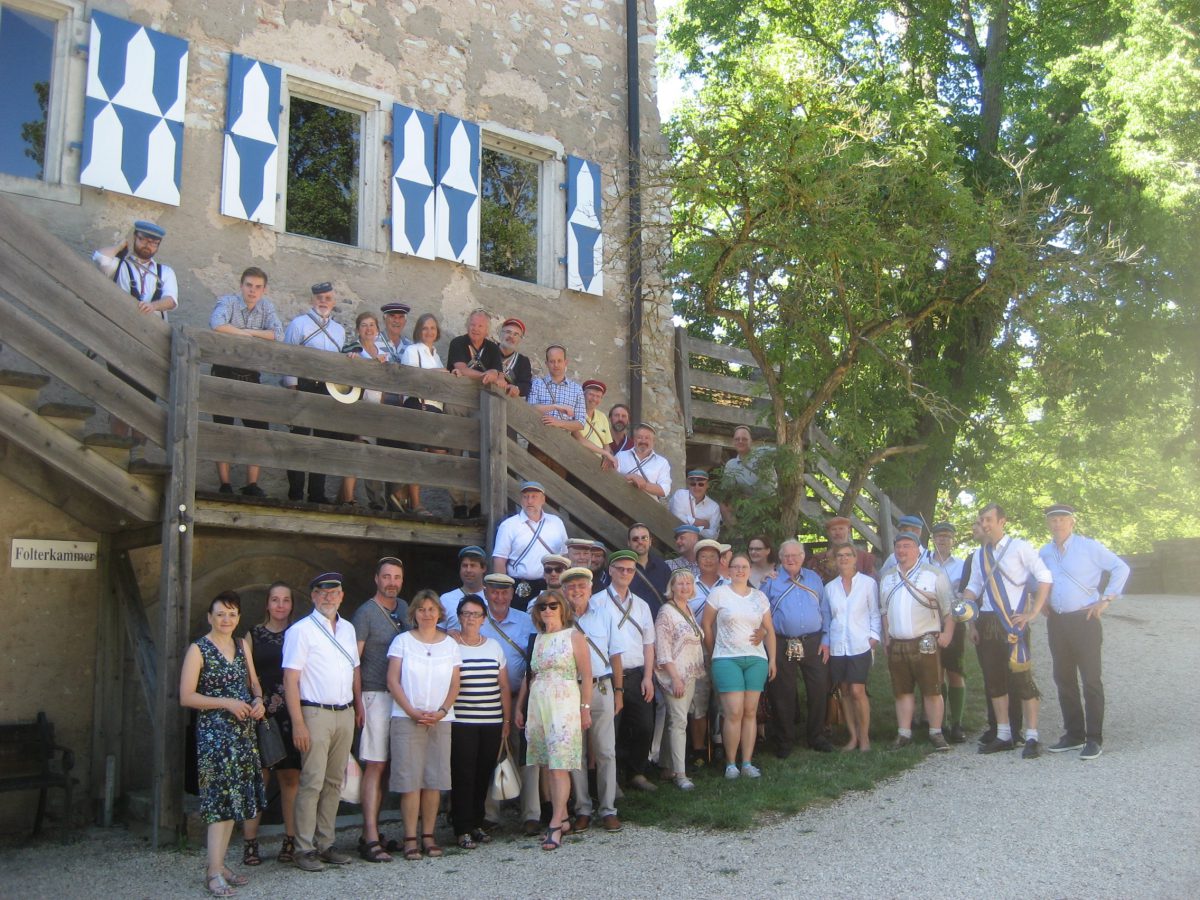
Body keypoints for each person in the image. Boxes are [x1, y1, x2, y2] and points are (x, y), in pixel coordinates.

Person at [180, 591, 267, 897]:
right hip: (215, 737)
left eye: (231, 614)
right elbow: (187, 696)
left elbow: (253, 683)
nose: (226, 620)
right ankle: (213, 871)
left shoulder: (242, 646)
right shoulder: (199, 649)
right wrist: (226, 703)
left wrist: (257, 700)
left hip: (242, 735)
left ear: (238, 618)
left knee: (233, 802)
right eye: (220, 614)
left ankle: (219, 864)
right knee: (219, 802)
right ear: (210, 617)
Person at [281, 572, 361, 872]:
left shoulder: (349, 629)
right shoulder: (301, 631)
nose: (328, 597)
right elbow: (291, 679)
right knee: (311, 781)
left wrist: (358, 704)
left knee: (334, 782)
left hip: (345, 711)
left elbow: (354, 669)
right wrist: (298, 722)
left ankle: (325, 843)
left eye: (334, 592)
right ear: (313, 596)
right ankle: (303, 848)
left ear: (341, 596)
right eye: (322, 593)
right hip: (314, 712)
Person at [1039, 504, 1130, 761]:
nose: (1057, 524)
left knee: (1090, 679)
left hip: (1084, 620)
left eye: (1062, 519)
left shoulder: (1088, 547)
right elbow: (1037, 579)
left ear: (1072, 522)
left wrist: (1106, 599)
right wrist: (1040, 599)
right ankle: (1074, 733)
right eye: (1053, 520)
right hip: (1057, 622)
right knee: (1063, 677)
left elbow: (1121, 568)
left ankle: (1094, 738)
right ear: (1048, 524)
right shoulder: (1045, 552)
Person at [962, 503, 1053, 759]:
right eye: (982, 519)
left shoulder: (1020, 547)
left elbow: (1045, 577)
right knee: (994, 679)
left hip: (1013, 622)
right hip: (988, 622)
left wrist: (1033, 612)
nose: (985, 524)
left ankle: (1032, 736)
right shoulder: (980, 554)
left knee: (1023, 680)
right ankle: (1003, 734)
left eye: (989, 519)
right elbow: (974, 586)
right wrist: (964, 604)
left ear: (1003, 521)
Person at [91, 219, 178, 459]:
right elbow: (99, 258)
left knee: (144, 403)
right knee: (120, 399)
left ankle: (138, 456)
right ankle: (118, 456)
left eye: (154, 242)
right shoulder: (118, 266)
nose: (148, 245)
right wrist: (121, 245)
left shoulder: (165, 272)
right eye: (143, 239)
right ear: (136, 238)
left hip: (151, 348)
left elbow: (171, 300)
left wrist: (152, 305)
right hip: (121, 344)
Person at [387, 590, 462, 860]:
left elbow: (455, 683)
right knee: (411, 781)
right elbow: (393, 680)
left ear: (439, 613)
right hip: (407, 718)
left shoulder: (450, 645)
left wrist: (442, 711)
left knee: (434, 780)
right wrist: (411, 710)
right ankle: (410, 838)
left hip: (441, 720)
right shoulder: (402, 642)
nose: (427, 614)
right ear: (414, 613)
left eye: (432, 609)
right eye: (422, 609)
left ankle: (428, 836)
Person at [515, 589, 593, 851]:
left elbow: (586, 675)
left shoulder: (574, 636)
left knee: (560, 765)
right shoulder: (537, 640)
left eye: (553, 606)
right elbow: (531, 677)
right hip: (539, 704)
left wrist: (585, 709)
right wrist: (520, 708)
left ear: (562, 609)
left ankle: (556, 822)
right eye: (542, 607)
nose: (547, 610)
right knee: (548, 764)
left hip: (564, 705)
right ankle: (560, 817)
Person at [351, 557, 408, 863]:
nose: (392, 582)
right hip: (375, 694)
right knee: (374, 764)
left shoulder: (404, 608)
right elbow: (355, 660)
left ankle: (373, 832)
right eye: (386, 576)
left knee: (386, 766)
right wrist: (358, 699)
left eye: (396, 577)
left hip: (399, 696)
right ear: (376, 579)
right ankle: (370, 835)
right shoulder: (365, 613)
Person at [473, 573, 539, 834]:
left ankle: (531, 813)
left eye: (504, 592)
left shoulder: (526, 621)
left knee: (525, 754)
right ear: (486, 593)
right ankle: (490, 813)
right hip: (485, 699)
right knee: (491, 753)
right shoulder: (477, 621)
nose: (499, 597)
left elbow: (534, 659)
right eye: (494, 592)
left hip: (519, 698)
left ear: (512, 595)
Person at [208, 266, 282, 497]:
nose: (253, 290)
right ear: (241, 285)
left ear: (264, 290)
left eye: (258, 287)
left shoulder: (266, 307)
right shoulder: (228, 302)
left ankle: (251, 484)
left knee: (258, 431)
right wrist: (247, 335)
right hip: (224, 372)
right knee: (223, 429)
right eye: (249, 285)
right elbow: (217, 323)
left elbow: (278, 333)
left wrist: (245, 332)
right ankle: (225, 484)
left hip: (251, 375)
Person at [241, 582, 301, 865]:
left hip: (291, 713)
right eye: (275, 600)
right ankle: (250, 843)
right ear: (267, 604)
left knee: (290, 778)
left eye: (285, 600)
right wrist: (256, 701)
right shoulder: (252, 634)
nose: (280, 605)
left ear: (291, 604)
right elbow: (246, 674)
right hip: (261, 713)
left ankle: (290, 840)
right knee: (258, 778)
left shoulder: (299, 633)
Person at [702, 554, 777, 778]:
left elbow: (769, 629)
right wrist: (713, 649)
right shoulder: (719, 594)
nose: (740, 571)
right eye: (736, 567)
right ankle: (730, 763)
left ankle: (747, 762)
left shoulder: (759, 597)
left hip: (756, 659)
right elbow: (706, 623)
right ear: (729, 569)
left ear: (749, 570)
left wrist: (772, 659)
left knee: (750, 711)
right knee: (733, 711)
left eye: (744, 567)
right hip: (726, 659)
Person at [563, 567, 625, 834]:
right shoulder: (559, 618)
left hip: (601, 688)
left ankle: (608, 809)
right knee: (576, 753)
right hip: (569, 690)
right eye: (572, 587)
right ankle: (583, 808)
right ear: (565, 590)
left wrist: (619, 690)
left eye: (581, 586)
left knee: (605, 751)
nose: (577, 591)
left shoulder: (605, 615)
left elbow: (616, 656)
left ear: (590, 588)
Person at [879, 533, 955, 751]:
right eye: (898, 546)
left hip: (926, 641)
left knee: (932, 689)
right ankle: (904, 733)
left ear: (918, 550)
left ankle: (936, 732)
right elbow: (884, 610)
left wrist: (948, 633)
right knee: (902, 690)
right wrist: (887, 636)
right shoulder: (887, 577)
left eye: (907, 546)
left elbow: (949, 609)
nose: (902, 550)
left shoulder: (934, 574)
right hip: (898, 642)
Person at [449, 594, 511, 849]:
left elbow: (504, 685)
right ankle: (461, 828)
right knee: (463, 774)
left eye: (476, 614)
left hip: (491, 721)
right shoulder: (451, 645)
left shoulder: (494, 647)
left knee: (483, 773)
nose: (471, 619)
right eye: (466, 614)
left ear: (484, 619)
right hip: (462, 721)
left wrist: (506, 719)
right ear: (459, 617)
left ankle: (476, 823)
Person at [761, 540, 832, 756]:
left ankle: (817, 736)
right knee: (783, 692)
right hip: (782, 642)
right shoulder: (770, 581)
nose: (791, 559)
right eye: (786, 556)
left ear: (803, 557)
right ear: (780, 558)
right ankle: (785, 740)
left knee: (819, 689)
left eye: (795, 555)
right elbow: (761, 614)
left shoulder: (813, 578)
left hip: (813, 641)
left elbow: (825, 610)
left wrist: (826, 639)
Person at [283, 283, 350, 505]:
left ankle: (316, 494)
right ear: (312, 300)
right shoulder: (299, 324)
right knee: (299, 441)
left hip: (327, 390)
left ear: (333, 302)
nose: (323, 301)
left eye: (328, 298)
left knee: (322, 443)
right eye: (319, 297)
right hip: (302, 386)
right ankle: (295, 493)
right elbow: (289, 357)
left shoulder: (339, 331)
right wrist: (292, 386)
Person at [602, 550, 657, 793]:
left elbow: (649, 643)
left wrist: (648, 676)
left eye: (630, 570)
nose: (625, 573)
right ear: (610, 571)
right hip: (608, 677)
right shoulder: (597, 602)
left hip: (636, 674)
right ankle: (611, 780)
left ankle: (636, 772)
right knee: (610, 730)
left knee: (644, 726)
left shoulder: (642, 605)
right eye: (620, 569)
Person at [445, 309, 507, 517]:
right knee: (454, 451)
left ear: (487, 329)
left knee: (477, 454)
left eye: (480, 325)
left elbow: (498, 374)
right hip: (457, 402)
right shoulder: (458, 343)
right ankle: (457, 504)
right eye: (472, 324)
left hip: (480, 405)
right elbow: (461, 369)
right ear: (467, 325)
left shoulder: (491, 348)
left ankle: (474, 504)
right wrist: (485, 375)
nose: (475, 328)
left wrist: (493, 375)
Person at [823, 544, 881, 751]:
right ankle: (853, 737)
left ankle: (865, 738)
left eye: (848, 555)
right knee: (844, 690)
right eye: (840, 555)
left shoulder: (867, 584)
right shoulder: (830, 588)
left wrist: (874, 637)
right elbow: (828, 618)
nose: (844, 558)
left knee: (858, 690)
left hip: (860, 644)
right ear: (835, 560)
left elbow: (875, 612)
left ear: (856, 559)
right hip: (838, 645)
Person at [654, 569, 705, 790]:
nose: (685, 587)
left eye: (688, 583)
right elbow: (663, 650)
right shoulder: (666, 612)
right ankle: (681, 774)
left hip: (690, 673)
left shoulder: (688, 608)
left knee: (675, 721)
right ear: (672, 587)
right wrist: (675, 678)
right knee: (679, 723)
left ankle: (667, 766)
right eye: (680, 584)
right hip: (675, 676)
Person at [338, 311, 388, 507]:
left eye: (372, 325)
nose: (369, 329)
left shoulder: (382, 353)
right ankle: (349, 498)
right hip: (358, 406)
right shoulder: (352, 349)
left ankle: (372, 500)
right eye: (364, 325)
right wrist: (351, 360)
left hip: (376, 407)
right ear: (358, 330)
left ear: (377, 329)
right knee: (358, 447)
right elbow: (342, 375)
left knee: (372, 453)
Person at [492, 482, 568, 609]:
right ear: (521, 500)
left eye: (534, 496)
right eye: (525, 497)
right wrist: (503, 590)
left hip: (551, 584)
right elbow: (499, 560)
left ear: (543, 499)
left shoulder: (556, 522)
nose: (529, 501)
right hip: (520, 586)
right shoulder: (509, 525)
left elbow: (565, 555)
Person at [929, 522, 968, 743]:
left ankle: (957, 723)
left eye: (946, 536)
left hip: (954, 622)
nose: (942, 540)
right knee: (934, 673)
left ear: (953, 540)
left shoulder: (962, 566)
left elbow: (966, 596)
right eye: (938, 536)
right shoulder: (924, 563)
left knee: (955, 672)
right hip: (929, 622)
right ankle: (939, 721)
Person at [375, 301, 412, 510]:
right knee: (378, 452)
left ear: (404, 321)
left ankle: (396, 501)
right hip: (381, 402)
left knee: (399, 453)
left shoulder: (409, 346)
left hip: (402, 405)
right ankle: (377, 502)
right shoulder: (375, 341)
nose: (396, 320)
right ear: (385, 319)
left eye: (400, 317)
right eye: (392, 317)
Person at [528, 345, 587, 433]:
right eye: (552, 361)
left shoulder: (577, 389)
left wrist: (559, 423)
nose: (556, 365)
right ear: (546, 364)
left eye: (559, 361)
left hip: (563, 442)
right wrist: (555, 406)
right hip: (537, 438)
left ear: (565, 362)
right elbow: (530, 408)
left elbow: (581, 423)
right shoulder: (537, 383)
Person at [806, 517, 877, 581]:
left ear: (849, 530)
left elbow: (872, 584)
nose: (838, 533)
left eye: (841, 528)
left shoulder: (865, 558)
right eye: (834, 529)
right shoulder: (818, 559)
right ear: (828, 532)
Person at [615, 423, 672, 499]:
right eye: (639, 437)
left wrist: (644, 484)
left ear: (653, 441)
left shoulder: (662, 463)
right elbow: (612, 478)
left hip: (648, 508)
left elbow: (665, 490)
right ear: (634, 439)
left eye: (647, 438)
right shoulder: (621, 456)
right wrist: (631, 477)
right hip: (621, 502)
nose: (643, 441)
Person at [440, 546, 489, 630]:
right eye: (465, 565)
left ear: (483, 568)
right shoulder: (446, 599)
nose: (468, 570)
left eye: (473, 565)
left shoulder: (493, 598)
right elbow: (436, 633)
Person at [628, 522, 671, 616]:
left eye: (644, 538)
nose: (640, 542)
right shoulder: (623, 569)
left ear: (650, 541)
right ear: (629, 543)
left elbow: (672, 597)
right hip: (634, 625)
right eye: (635, 539)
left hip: (661, 624)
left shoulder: (662, 566)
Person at [668, 469, 722, 539]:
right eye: (693, 484)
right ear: (688, 484)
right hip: (675, 539)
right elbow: (677, 517)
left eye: (701, 484)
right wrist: (700, 525)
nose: (697, 487)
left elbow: (713, 535)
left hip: (700, 544)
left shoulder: (714, 507)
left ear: (707, 485)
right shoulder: (680, 494)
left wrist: (691, 528)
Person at [577, 379, 617, 465]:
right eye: (591, 394)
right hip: (577, 461)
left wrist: (606, 457)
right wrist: (605, 453)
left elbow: (606, 443)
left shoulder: (602, 417)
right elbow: (580, 439)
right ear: (583, 395)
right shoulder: (575, 412)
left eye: (598, 396)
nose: (594, 399)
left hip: (597, 464)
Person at [497, 317, 533, 398]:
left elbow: (526, 385)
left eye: (516, 334)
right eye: (508, 332)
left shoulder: (523, 362)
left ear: (520, 339)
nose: (511, 337)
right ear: (501, 334)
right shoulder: (489, 349)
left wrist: (516, 388)